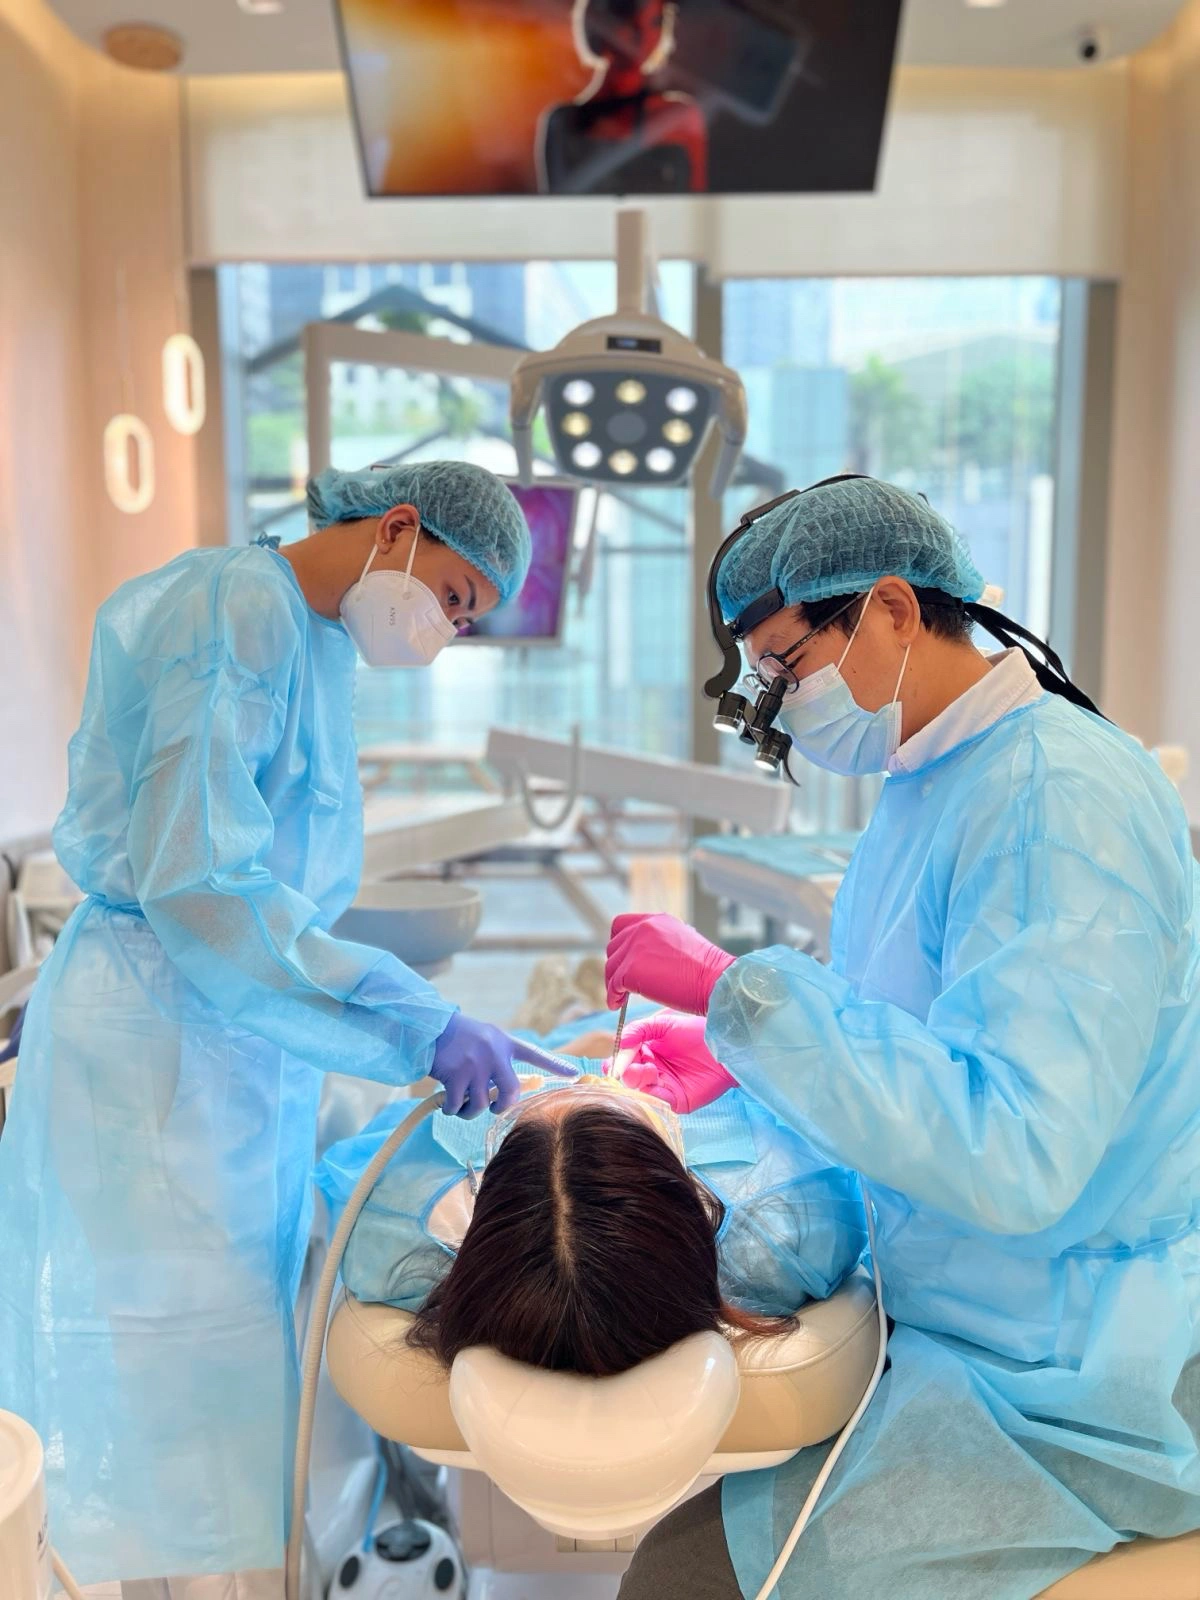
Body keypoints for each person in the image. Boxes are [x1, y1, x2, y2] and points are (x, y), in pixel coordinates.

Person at [606, 475, 1200, 1600]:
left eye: (787, 665)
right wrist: (741, 1053)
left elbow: (1019, 1149)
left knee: (679, 1582)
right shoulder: (929, 781)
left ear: (888, 608)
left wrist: (746, 992)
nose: (779, 701)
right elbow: (899, 1035)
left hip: (1081, 1373)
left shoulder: (1057, 799)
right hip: (976, 1316)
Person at [0, 461, 573, 1597]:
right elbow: (204, 884)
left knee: (240, 1357)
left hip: (220, 1034)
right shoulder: (230, 610)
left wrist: (395, 1025)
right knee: (174, 1367)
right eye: (455, 598)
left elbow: (271, 886)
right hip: (154, 1039)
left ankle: (247, 1569)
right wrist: (409, 1016)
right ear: (401, 528)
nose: (447, 632)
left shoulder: (312, 641)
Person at [316, 1058, 867, 1375]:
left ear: (487, 1186)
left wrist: (567, 1054)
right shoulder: (787, 1223)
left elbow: (372, 1146)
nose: (580, 1080)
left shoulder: (391, 1223)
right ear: (674, 1173)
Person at [537, 0, 707, 196]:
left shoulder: (681, 117)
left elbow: (699, 208)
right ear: (604, 22)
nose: (644, 36)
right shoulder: (562, 122)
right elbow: (558, 215)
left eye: (656, 22)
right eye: (630, 21)